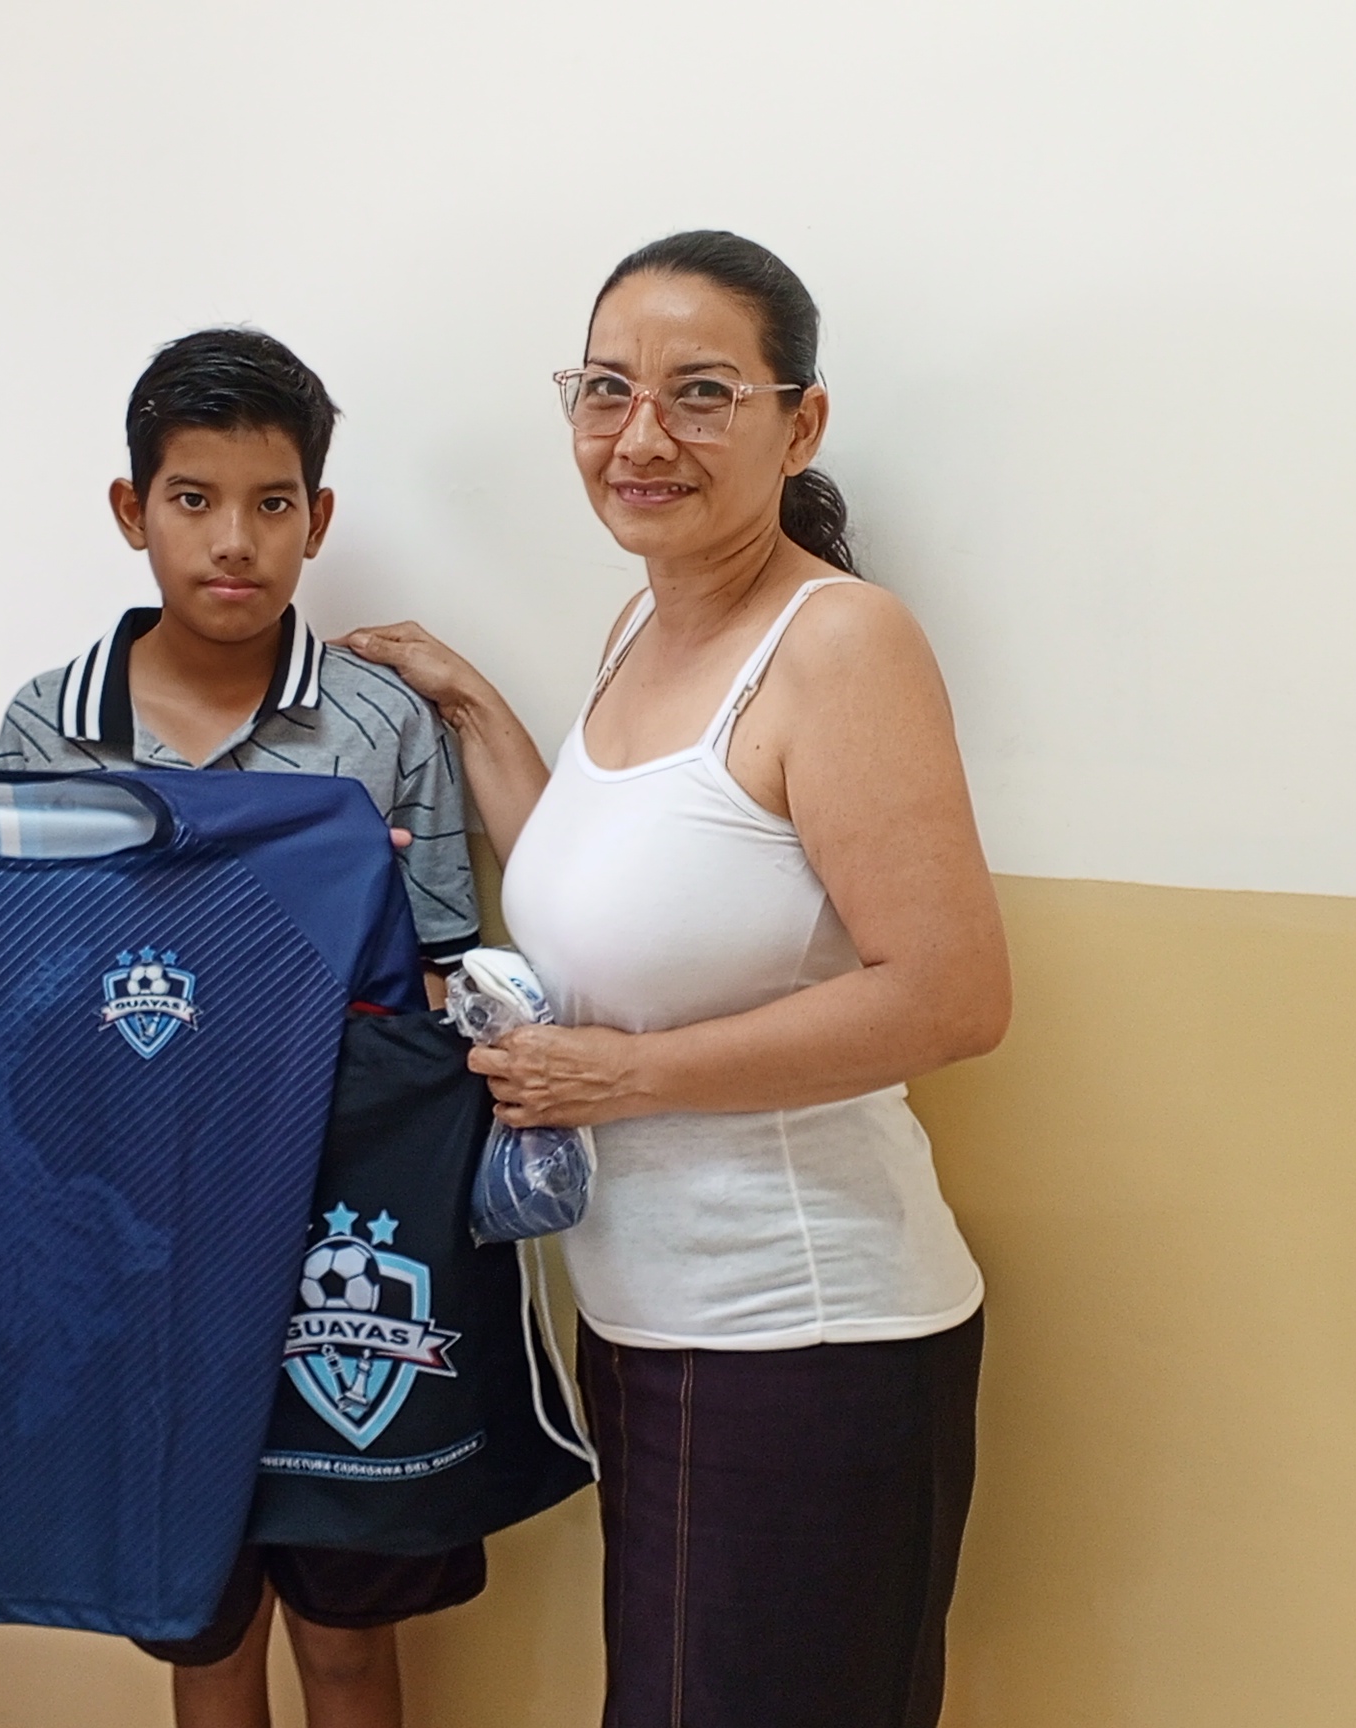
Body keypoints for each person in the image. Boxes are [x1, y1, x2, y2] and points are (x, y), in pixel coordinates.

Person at [337, 231, 1008, 1728]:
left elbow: (951, 995)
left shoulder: (840, 643)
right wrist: (472, 706)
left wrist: (625, 1078)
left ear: (799, 423)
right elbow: (605, 894)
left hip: (803, 1335)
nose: (641, 436)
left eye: (702, 394)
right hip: (649, 1321)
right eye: (606, 390)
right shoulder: (642, 623)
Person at [0, 326, 480, 1728]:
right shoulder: (49, 725)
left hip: (339, 1231)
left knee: (346, 1624)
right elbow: (19, 980)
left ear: (316, 519)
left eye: (271, 505)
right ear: (131, 509)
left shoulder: (381, 724)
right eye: (193, 499)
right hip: (135, 1232)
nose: (233, 541)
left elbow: (437, 979)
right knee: (198, 1626)